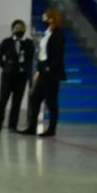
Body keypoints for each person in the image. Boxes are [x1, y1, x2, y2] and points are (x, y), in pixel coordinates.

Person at [21, 9, 67, 137]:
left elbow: (58, 54)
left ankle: (51, 129)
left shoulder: (58, 34)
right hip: (43, 70)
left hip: (51, 73)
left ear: (51, 18)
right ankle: (32, 127)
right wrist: (40, 68)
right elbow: (43, 53)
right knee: (35, 98)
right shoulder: (47, 33)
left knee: (51, 101)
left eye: (46, 15)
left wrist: (48, 67)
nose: (44, 17)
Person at [0, 19, 35, 134]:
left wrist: (25, 69)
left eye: (21, 28)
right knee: (3, 100)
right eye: (17, 28)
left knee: (17, 101)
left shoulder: (28, 43)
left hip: (22, 76)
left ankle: (12, 126)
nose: (19, 30)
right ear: (12, 29)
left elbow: (30, 58)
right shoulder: (6, 42)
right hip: (8, 75)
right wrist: (6, 67)